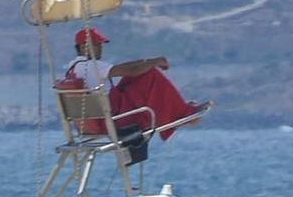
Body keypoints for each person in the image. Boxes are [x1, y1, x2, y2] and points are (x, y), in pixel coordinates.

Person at [61, 27, 208, 163]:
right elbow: (130, 71)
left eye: (100, 44)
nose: (100, 48)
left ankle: (179, 111)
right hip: (116, 118)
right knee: (151, 74)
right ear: (83, 46)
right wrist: (155, 62)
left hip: (102, 117)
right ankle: (183, 114)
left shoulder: (74, 68)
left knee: (137, 76)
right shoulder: (90, 66)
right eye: (96, 44)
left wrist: (147, 61)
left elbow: (124, 68)